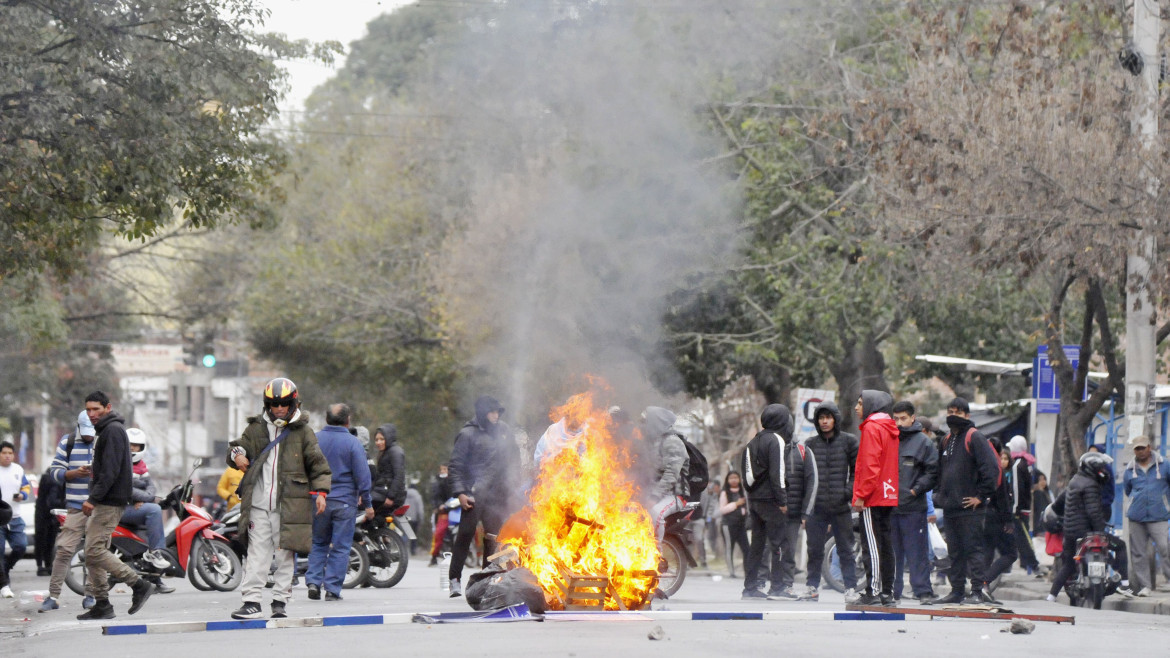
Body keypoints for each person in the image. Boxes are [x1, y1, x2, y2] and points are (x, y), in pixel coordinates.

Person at [228, 378, 332, 619]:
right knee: (257, 553)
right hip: (258, 504)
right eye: (274, 404)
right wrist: (237, 455)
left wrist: (322, 493)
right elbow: (237, 447)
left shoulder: (304, 432)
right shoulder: (255, 429)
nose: (279, 409)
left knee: (287, 553)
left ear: (293, 403)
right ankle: (251, 600)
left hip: (291, 505)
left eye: (284, 404)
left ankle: (280, 601)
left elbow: (319, 465)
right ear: (267, 405)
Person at [78, 391, 154, 620]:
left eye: (96, 409)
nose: (91, 414)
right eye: (88, 409)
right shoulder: (108, 430)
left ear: (107, 407)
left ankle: (138, 584)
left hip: (109, 502)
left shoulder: (112, 431)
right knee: (94, 554)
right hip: (107, 499)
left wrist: (93, 498)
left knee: (93, 551)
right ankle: (102, 603)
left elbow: (110, 471)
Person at [447, 395, 521, 597]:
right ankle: (454, 580)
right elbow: (456, 467)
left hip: (498, 495)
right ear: (482, 413)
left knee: (493, 539)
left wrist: (514, 484)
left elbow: (514, 458)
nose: (496, 416)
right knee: (465, 534)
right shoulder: (468, 434)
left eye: (498, 412)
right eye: (492, 412)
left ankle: (487, 581)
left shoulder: (505, 432)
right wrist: (461, 493)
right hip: (473, 494)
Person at [930, 397, 1001, 605]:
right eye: (950, 411)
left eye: (958, 412)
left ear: (967, 416)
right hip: (950, 507)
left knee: (974, 551)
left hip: (971, 509)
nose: (953, 415)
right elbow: (940, 472)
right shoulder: (946, 440)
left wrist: (980, 496)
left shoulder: (975, 437)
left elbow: (992, 469)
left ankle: (977, 591)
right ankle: (957, 591)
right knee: (955, 553)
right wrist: (939, 495)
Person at [306, 403, 373, 602]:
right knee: (341, 547)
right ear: (348, 420)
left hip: (319, 500)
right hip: (344, 502)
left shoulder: (315, 440)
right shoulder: (353, 443)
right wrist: (368, 504)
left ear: (326, 419)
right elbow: (363, 477)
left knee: (318, 542)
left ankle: (313, 582)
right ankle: (332, 590)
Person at [1047, 451, 1135, 601]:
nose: (1103, 472)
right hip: (1087, 533)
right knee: (1119, 546)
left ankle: (1051, 596)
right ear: (1092, 469)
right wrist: (1100, 531)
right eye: (1100, 469)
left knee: (1068, 564)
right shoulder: (1091, 485)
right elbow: (1093, 512)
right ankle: (1125, 584)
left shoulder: (1074, 481)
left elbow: (1058, 505)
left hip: (1070, 533)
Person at [803, 401, 860, 602]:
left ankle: (850, 588)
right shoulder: (810, 444)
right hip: (816, 507)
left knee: (845, 549)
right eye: (821, 418)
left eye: (828, 417)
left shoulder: (849, 441)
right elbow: (805, 476)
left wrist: (847, 492)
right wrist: (805, 507)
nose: (825, 421)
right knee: (814, 549)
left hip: (840, 505)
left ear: (835, 419)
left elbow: (857, 472)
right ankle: (811, 586)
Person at [40, 412, 97, 612]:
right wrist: (74, 473)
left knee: (94, 552)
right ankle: (53, 596)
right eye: (87, 433)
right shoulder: (68, 442)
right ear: (79, 427)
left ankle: (91, 595)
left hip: (100, 507)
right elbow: (55, 472)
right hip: (75, 507)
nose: (90, 436)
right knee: (64, 550)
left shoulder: (104, 439)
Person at [851, 391, 900, 606]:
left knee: (871, 544)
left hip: (873, 495)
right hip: (888, 493)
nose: (856, 407)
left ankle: (873, 591)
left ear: (871, 405)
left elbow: (870, 465)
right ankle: (887, 593)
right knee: (886, 544)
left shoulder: (872, 427)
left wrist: (861, 495)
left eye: (860, 403)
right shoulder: (890, 428)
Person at [889, 401, 939, 604]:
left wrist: (916, 489)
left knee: (916, 553)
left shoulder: (924, 443)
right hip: (890, 507)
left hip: (913, 508)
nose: (899, 423)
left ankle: (923, 591)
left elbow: (933, 471)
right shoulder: (888, 439)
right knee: (892, 554)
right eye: (896, 418)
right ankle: (892, 591)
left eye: (903, 418)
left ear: (912, 418)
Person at [739, 404, 790, 600]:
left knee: (757, 545)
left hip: (755, 500)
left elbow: (747, 475)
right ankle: (777, 587)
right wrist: (782, 500)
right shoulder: (776, 440)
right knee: (778, 543)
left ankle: (750, 588)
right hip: (771, 500)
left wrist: (754, 494)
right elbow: (778, 473)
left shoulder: (753, 442)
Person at [119, 429, 172, 581]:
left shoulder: (141, 465)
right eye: (130, 445)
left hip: (134, 507)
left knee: (151, 533)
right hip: (121, 508)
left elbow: (151, 486)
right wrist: (146, 496)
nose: (133, 449)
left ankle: (155, 580)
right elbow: (127, 488)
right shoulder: (122, 463)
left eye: (136, 446)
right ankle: (156, 551)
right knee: (155, 510)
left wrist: (144, 496)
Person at [773, 424, 817, 600]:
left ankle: (787, 585)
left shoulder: (803, 450)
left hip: (793, 512)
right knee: (771, 549)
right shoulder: (771, 447)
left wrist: (806, 512)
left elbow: (812, 481)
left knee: (789, 550)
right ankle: (770, 585)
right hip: (772, 511)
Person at [1123, 435, 1170, 596]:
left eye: (1143, 448)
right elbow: (1128, 490)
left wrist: (1165, 503)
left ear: (1149, 447)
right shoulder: (1130, 469)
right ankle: (1145, 586)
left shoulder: (1164, 465)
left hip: (1159, 515)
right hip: (1137, 516)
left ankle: (1169, 579)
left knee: (1165, 547)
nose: (1140, 451)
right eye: (1137, 448)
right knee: (1138, 552)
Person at [642, 407, 689, 543]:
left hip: (675, 495)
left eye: (647, 421)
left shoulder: (672, 442)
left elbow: (671, 475)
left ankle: (656, 557)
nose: (644, 425)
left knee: (655, 514)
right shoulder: (652, 443)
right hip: (655, 493)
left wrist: (654, 497)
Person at [980, 443, 1016, 601]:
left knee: (987, 552)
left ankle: (980, 587)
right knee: (1011, 554)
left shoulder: (981, 466)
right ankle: (984, 581)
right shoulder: (996, 470)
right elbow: (1003, 499)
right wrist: (1008, 520)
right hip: (997, 518)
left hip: (984, 516)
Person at [1005, 436, 1042, 576]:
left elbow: (1017, 489)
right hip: (1025, 507)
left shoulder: (1017, 465)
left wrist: (1015, 509)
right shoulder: (1027, 463)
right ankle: (1026, 563)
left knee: (1024, 538)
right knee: (1020, 538)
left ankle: (1034, 565)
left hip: (1019, 509)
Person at [0, 440, 32, 598]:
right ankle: (4, 583)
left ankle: (6, 567)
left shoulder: (18, 469)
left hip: (15, 517)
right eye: (4, 453)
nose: (7, 456)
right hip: (0, 519)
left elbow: (26, 486)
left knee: (21, 546)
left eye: (10, 453)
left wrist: (23, 495)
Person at [33, 462, 62, 576]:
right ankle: (47, 565)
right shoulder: (54, 478)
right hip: (48, 514)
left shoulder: (48, 475)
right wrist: (65, 503)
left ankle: (43, 565)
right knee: (48, 539)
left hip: (42, 513)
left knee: (43, 539)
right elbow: (52, 500)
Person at [719, 472, 750, 578]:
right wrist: (736, 504)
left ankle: (748, 571)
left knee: (747, 549)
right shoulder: (725, 493)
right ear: (727, 480)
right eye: (731, 478)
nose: (734, 480)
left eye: (736, 477)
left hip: (741, 525)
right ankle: (731, 572)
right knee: (729, 548)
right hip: (728, 525)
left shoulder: (743, 492)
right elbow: (722, 509)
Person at [373, 423, 407, 512]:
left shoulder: (395, 452)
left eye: (382, 439)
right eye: (376, 440)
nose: (378, 442)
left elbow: (399, 476)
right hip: (382, 492)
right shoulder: (385, 452)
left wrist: (391, 497)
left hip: (389, 495)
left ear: (388, 438)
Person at [429, 463, 454, 566]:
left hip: (456, 511)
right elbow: (436, 496)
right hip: (444, 512)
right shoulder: (437, 482)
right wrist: (439, 506)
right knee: (439, 533)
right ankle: (434, 556)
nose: (443, 471)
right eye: (441, 469)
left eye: (445, 469)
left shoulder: (455, 481)